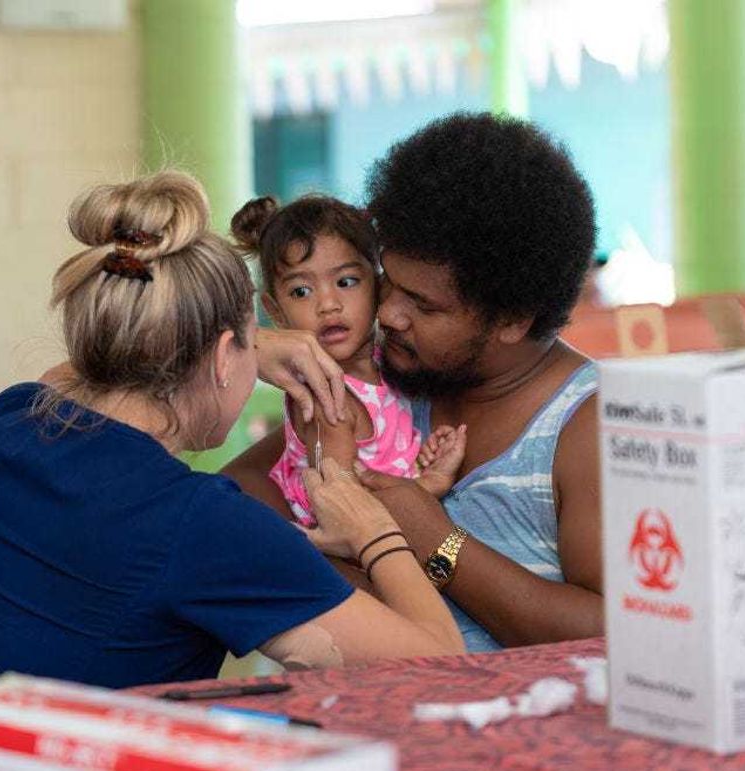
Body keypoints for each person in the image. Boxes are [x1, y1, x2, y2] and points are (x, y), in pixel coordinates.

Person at [0, 172, 463, 693]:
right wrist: (374, 530)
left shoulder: (5, 419)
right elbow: (441, 667)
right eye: (254, 338)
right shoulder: (202, 525)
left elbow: (71, 376)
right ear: (225, 357)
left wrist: (248, 343)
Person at [228, 112, 603, 652]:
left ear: (513, 319)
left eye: (423, 304)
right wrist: (252, 345)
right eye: (388, 283)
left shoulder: (586, 424)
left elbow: (610, 634)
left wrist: (433, 539)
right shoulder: (398, 377)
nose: (392, 315)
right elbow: (244, 489)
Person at [229, 195, 466, 526]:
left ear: (379, 286)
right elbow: (342, 511)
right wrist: (426, 486)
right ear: (275, 312)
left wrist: (421, 460)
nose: (328, 304)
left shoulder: (388, 359)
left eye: (346, 282)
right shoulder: (329, 401)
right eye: (301, 291)